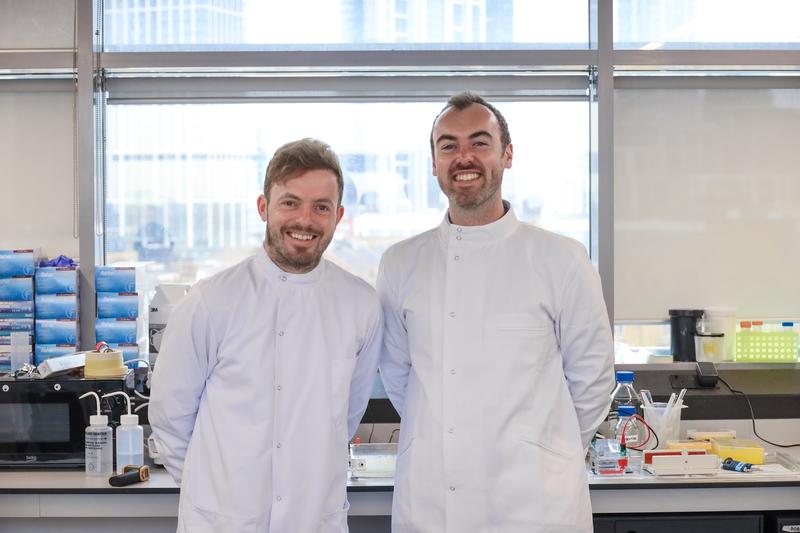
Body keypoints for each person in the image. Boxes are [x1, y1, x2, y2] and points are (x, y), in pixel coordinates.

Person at [377, 92, 615, 533]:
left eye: (479, 142)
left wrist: (542, 451)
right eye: (448, 145)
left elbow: (593, 381)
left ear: (507, 155)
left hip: (535, 505)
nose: (463, 156)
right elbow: (399, 377)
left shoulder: (560, 259)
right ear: (433, 162)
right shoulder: (400, 263)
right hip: (433, 502)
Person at [149, 138, 382, 533]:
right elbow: (170, 418)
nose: (305, 220)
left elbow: (347, 414)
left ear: (338, 215)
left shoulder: (360, 304)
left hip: (313, 519)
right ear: (264, 207)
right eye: (290, 202)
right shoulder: (211, 301)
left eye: (320, 207)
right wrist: (217, 497)